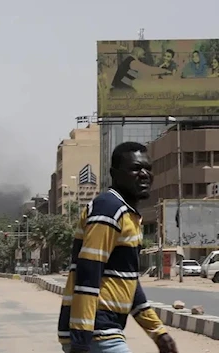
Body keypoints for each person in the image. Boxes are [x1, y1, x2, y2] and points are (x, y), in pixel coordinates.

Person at [58, 142, 178, 353]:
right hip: (97, 331)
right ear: (115, 174)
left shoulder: (128, 214)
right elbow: (88, 272)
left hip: (105, 329)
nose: (144, 174)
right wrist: (81, 341)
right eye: (135, 168)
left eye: (148, 168)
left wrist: (158, 332)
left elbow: (129, 283)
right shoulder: (109, 208)